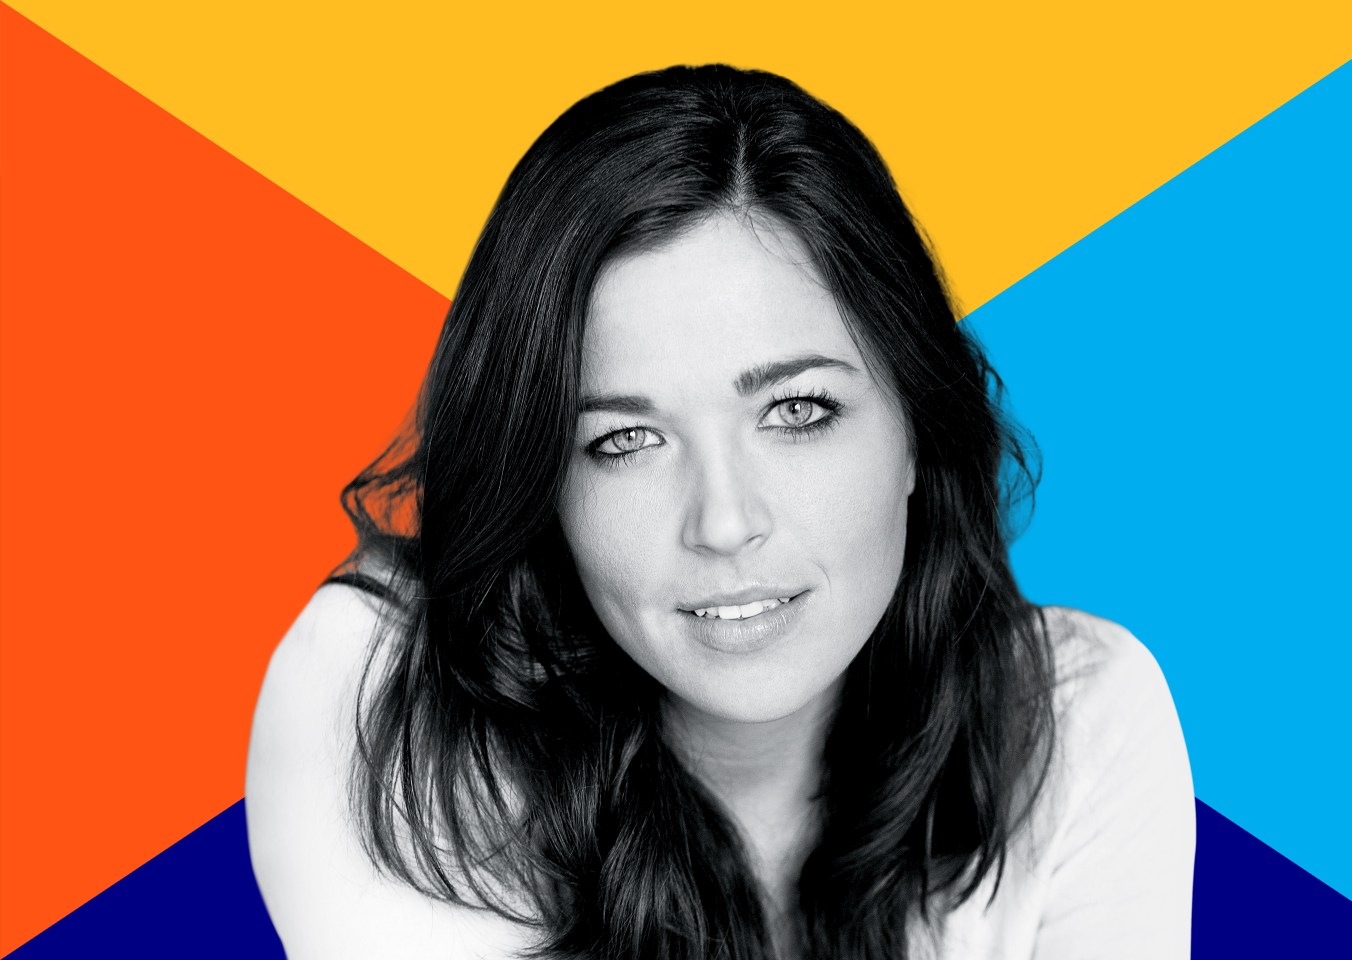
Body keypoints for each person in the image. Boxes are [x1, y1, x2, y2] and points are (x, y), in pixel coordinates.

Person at [245, 64, 1194, 959]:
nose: (725, 522)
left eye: (797, 412)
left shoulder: (1074, 721)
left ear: (917, 427)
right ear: (541, 480)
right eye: (625, 439)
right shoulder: (383, 690)